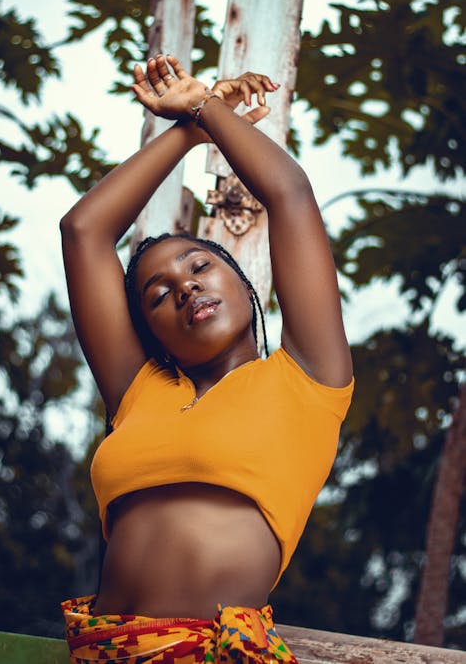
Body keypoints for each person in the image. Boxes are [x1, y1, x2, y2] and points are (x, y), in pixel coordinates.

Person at [59, 55, 354, 664]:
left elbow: (288, 193)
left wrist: (205, 107)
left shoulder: (307, 379)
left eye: (200, 267)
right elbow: (83, 229)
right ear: (153, 333)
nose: (185, 288)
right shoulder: (138, 392)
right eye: (158, 295)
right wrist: (186, 133)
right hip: (101, 652)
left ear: (246, 285)